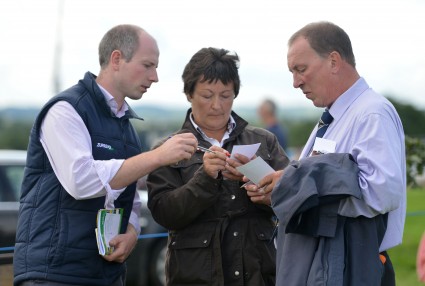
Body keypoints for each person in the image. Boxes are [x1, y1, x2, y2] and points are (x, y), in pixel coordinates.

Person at [13, 24, 198, 286]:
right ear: (116, 59)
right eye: (148, 65)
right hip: (54, 274)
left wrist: (132, 232)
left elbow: (130, 195)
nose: (155, 76)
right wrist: (157, 156)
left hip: (105, 273)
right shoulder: (65, 110)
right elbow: (81, 181)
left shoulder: (126, 127)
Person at [244, 21, 406, 285]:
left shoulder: (372, 113)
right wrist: (281, 188)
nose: (295, 82)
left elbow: (381, 191)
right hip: (325, 265)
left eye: (301, 69)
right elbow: (325, 177)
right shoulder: (334, 117)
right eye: (292, 72)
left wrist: (298, 190)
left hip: (351, 267)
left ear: (333, 61)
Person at [146, 47, 289, 285]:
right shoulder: (168, 149)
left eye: (225, 95)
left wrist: (267, 194)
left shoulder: (264, 141)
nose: (217, 105)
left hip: (258, 276)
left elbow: (292, 199)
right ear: (189, 94)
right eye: (207, 95)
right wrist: (205, 177)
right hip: (194, 278)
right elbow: (164, 213)